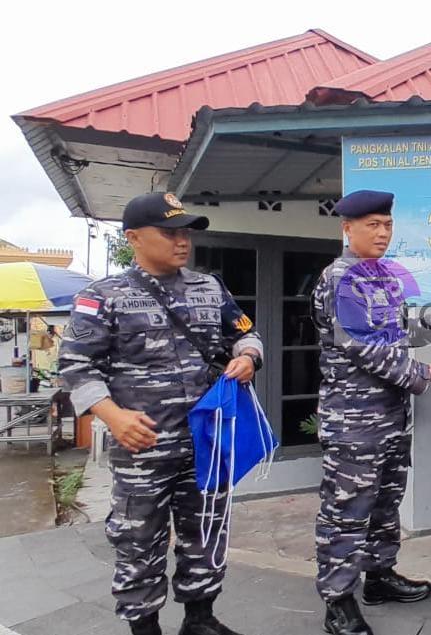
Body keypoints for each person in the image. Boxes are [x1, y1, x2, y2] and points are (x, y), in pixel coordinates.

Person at [59, 193, 263, 635]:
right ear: (133, 237)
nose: (182, 241)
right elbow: (75, 365)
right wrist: (111, 415)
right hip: (144, 446)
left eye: (185, 231)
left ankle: (200, 619)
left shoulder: (210, 288)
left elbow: (247, 334)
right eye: (170, 232)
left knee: (206, 533)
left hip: (206, 439)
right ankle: (144, 626)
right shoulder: (103, 296)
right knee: (138, 541)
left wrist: (248, 358)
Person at [312, 189, 431, 635]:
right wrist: (426, 372)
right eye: (372, 225)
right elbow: (362, 346)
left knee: (384, 503)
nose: (382, 233)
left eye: (387, 225)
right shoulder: (341, 278)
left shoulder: (384, 276)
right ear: (347, 228)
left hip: (390, 416)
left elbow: (395, 326)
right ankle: (338, 601)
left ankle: (379, 577)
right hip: (354, 420)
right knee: (347, 510)